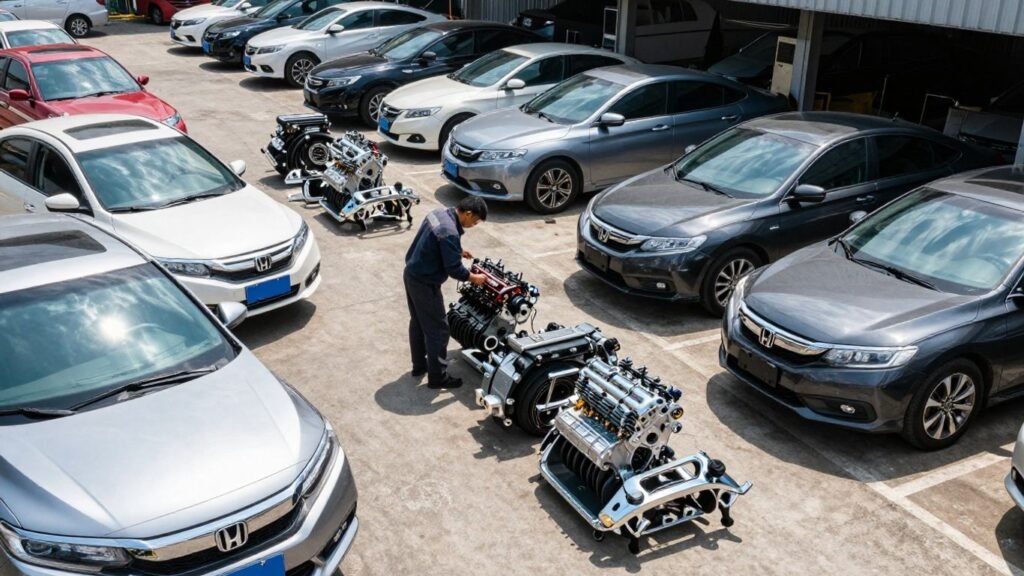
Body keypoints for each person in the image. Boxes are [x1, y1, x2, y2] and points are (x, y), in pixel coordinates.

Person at [404, 196, 488, 389]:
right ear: (467, 213)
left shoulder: (438, 214)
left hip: (411, 273)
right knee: (439, 331)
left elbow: (434, 240)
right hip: (425, 283)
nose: (473, 225)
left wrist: (457, 250)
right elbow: (454, 270)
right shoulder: (449, 232)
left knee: (418, 322)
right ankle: (438, 377)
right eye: (474, 221)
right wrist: (475, 278)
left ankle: (419, 366)